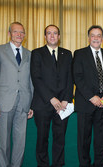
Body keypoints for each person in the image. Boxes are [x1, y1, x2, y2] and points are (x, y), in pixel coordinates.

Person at [0, 22, 33, 167]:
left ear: (24, 35)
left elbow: (31, 81)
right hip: (4, 103)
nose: (19, 34)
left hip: (24, 103)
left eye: (21, 32)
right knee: (4, 142)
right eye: (15, 32)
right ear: (9, 34)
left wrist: (31, 103)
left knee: (20, 142)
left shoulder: (30, 54)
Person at [73, 25, 103, 167]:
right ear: (88, 37)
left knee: (101, 140)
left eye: (99, 35)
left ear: (102, 38)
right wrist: (92, 97)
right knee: (84, 140)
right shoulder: (79, 54)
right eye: (93, 35)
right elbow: (77, 77)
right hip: (86, 104)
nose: (96, 38)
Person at [30, 24, 73, 167]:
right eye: (49, 33)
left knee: (60, 139)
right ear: (45, 36)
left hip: (63, 105)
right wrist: (51, 98)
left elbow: (70, 78)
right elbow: (36, 78)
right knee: (42, 139)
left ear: (59, 37)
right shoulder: (36, 53)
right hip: (43, 104)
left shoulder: (67, 54)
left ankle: (58, 164)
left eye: (55, 33)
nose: (52, 36)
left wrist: (66, 99)